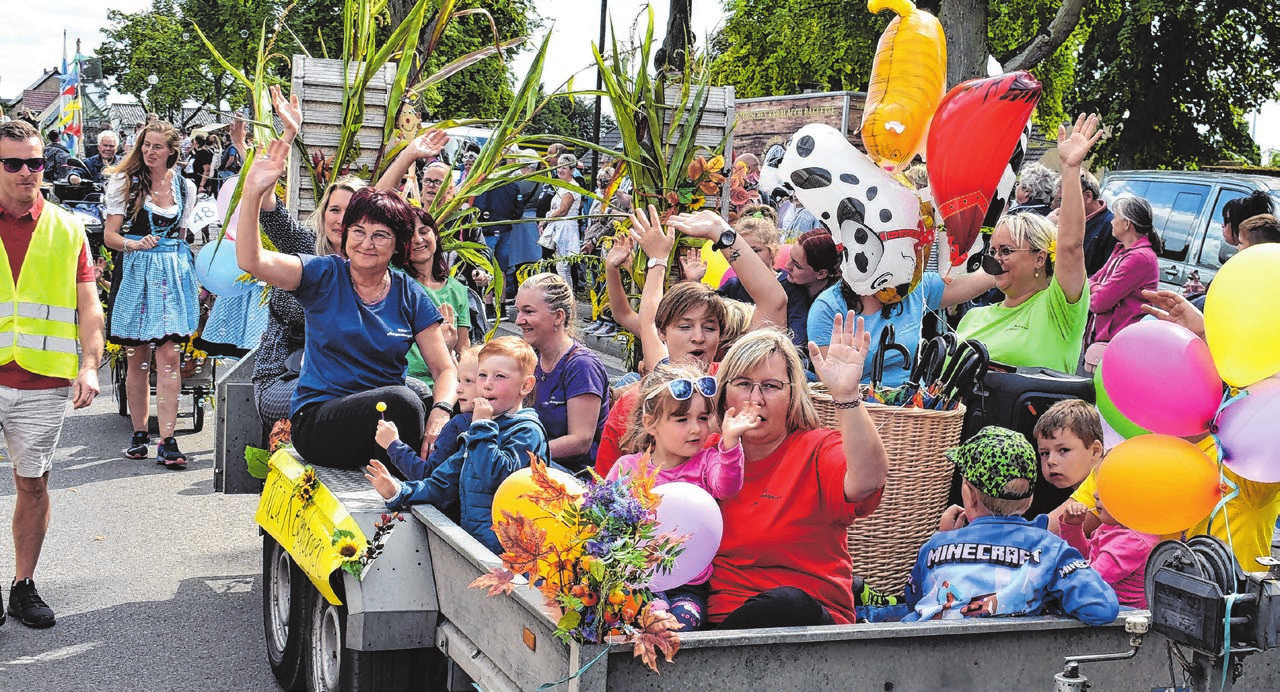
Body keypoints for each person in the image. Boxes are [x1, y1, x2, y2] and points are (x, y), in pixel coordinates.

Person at [235, 132, 457, 469]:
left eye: (380, 235)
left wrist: (441, 413)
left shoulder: (408, 292)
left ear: (398, 245)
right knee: (405, 402)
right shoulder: (323, 274)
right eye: (358, 232)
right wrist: (252, 192)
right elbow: (253, 261)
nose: (367, 243)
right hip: (322, 419)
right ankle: (415, 484)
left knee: (442, 405)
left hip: (381, 418)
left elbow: (445, 369)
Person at [709, 319, 889, 628]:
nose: (756, 398)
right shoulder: (705, 453)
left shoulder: (815, 448)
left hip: (807, 626)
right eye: (742, 384)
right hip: (719, 624)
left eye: (771, 386)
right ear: (724, 394)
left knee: (788, 603)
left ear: (793, 396)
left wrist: (846, 396)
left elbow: (868, 480)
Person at [0, 120, 104, 628]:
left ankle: (22, 586)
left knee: (33, 486)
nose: (26, 173)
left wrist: (89, 364)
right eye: (13, 163)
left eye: (35, 163)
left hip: (42, 381)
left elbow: (89, 304)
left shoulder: (68, 228)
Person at [904, 426, 1119, 624]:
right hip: (1015, 660)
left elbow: (914, 601)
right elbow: (1102, 608)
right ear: (1030, 499)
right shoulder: (1050, 548)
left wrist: (946, 539)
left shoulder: (936, 545)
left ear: (970, 496)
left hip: (933, 658)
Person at [607, 363, 757, 630]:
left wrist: (731, 444)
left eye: (702, 418)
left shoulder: (707, 461)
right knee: (644, 617)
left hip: (689, 587)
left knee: (679, 625)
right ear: (650, 423)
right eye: (681, 419)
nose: (695, 429)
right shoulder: (626, 468)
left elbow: (727, 486)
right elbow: (605, 525)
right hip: (636, 583)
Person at [364, 337, 547, 554]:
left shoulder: (526, 431)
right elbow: (442, 483)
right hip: (477, 544)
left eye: (500, 376)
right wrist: (398, 491)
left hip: (512, 554)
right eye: (482, 375)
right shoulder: (478, 430)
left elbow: (497, 477)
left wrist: (481, 426)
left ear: (525, 385)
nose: (487, 383)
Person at [955, 114, 1103, 374]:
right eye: (993, 251)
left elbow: (1070, 246)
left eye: (1006, 251)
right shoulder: (973, 317)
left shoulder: (1058, 309)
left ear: (1039, 257)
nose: (996, 259)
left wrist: (1070, 168)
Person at [102, 120, 201, 468]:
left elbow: (184, 233)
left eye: (157, 146)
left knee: (170, 357)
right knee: (137, 356)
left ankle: (169, 439)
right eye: (146, 144)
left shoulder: (185, 188)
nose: (149, 151)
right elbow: (109, 236)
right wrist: (133, 243)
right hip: (136, 273)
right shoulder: (125, 183)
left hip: (172, 275)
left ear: (172, 151)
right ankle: (140, 432)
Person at [808, 264, 995, 388]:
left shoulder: (913, 289)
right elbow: (828, 385)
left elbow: (976, 281)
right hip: (858, 412)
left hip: (912, 418)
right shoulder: (828, 307)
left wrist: (1007, 259)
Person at [514, 272, 610, 474]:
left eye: (528, 312)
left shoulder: (581, 365)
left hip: (576, 474)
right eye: (518, 312)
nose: (518, 321)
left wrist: (524, 453)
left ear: (558, 316)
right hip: (539, 463)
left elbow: (581, 441)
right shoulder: (531, 358)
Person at [391, 345, 482, 482]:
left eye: (468, 381)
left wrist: (393, 444)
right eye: (459, 381)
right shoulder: (519, 424)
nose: (458, 389)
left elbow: (429, 474)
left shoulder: (459, 424)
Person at [1086, 195, 1160, 359]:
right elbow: (1091, 280)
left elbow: (1098, 303)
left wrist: (1097, 288)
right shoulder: (1121, 250)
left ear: (1127, 223)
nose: (1112, 221)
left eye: (1116, 217)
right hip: (1103, 341)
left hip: (1116, 346)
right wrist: (1097, 287)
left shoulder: (1139, 257)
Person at [1058, 488, 1159, 609]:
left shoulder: (1133, 541)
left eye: (1107, 487)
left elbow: (1091, 579)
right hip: (1097, 600)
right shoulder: (1113, 526)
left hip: (1121, 616)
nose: (1095, 494)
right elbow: (1083, 557)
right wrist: (1073, 526)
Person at [404, 205, 471, 367]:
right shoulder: (395, 280)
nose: (418, 240)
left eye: (423, 231)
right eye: (408, 235)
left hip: (445, 382)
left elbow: (464, 351)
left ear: (436, 234)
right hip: (404, 383)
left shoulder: (457, 290)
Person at [1033, 399, 1104, 534]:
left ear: (1095, 450)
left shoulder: (1101, 478)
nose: (1050, 461)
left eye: (1063, 450)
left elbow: (1043, 535)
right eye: (1044, 453)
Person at [538, 154, 583, 289]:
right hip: (559, 226)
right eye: (559, 167)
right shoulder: (563, 186)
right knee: (560, 265)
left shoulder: (571, 187)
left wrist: (545, 220)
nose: (560, 170)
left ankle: (568, 297)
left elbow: (563, 210)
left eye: (564, 168)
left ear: (572, 170)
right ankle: (566, 295)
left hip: (566, 228)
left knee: (563, 266)